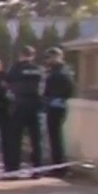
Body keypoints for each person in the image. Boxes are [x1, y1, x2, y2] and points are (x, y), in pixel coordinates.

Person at [4, 45, 45, 177]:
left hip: (19, 105)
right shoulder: (39, 69)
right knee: (36, 140)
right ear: (33, 56)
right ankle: (37, 170)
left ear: (21, 55)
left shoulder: (16, 68)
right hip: (35, 106)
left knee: (15, 139)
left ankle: (13, 170)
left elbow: (6, 83)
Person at [41, 47, 76, 177]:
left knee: (56, 138)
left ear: (58, 57)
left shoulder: (63, 71)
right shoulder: (53, 71)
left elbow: (70, 89)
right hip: (51, 106)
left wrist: (58, 99)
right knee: (53, 137)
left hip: (57, 107)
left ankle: (60, 168)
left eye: (50, 57)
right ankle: (56, 165)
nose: (48, 60)